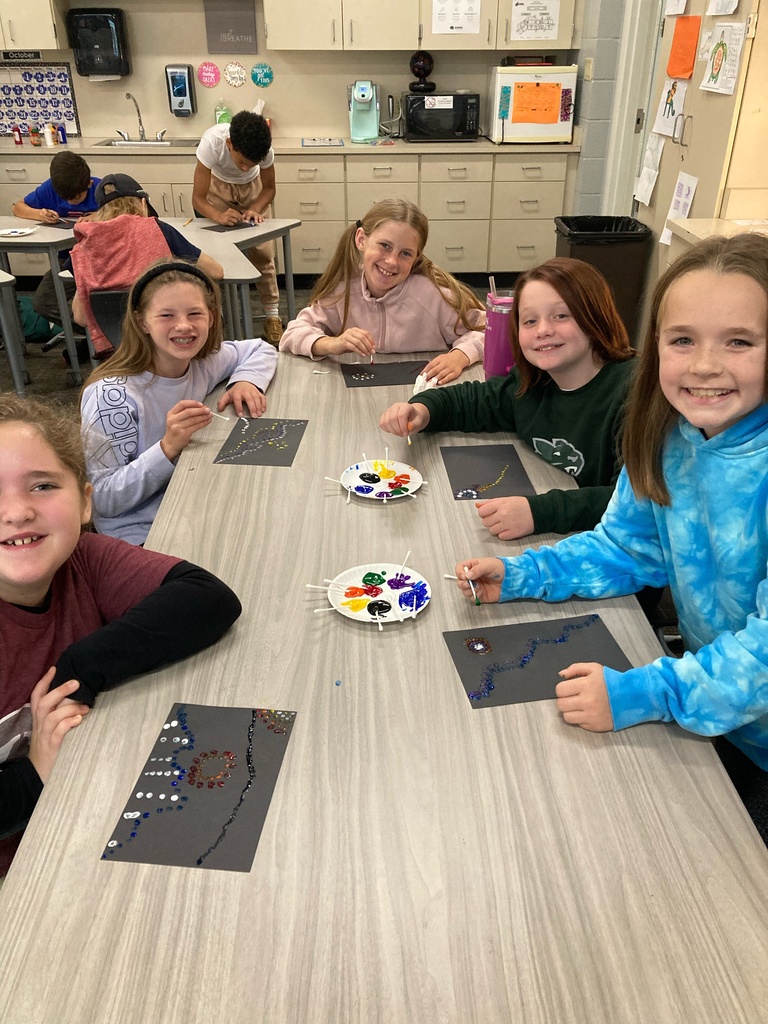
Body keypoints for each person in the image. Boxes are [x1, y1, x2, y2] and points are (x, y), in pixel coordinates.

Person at [454, 233, 768, 842]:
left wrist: (644, 692)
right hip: (719, 717)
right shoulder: (668, 435)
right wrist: (523, 573)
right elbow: (625, 548)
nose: (705, 365)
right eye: (682, 340)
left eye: (739, 341)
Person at [0, 393, 242, 875]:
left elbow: (207, 598)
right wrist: (36, 772)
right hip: (24, 871)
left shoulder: (84, 559)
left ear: (85, 501)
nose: (18, 512)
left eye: (43, 486)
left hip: (95, 803)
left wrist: (76, 670)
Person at [380, 257, 635, 538]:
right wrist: (423, 410)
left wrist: (539, 512)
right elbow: (474, 402)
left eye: (561, 316)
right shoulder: (535, 382)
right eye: (530, 321)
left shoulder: (633, 397)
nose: (543, 330)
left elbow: (637, 504)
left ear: (596, 317)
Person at [80, 261, 278, 545]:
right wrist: (167, 448)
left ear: (211, 318)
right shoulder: (111, 398)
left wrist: (245, 381)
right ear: (142, 322)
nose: (184, 325)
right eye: (166, 315)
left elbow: (261, 348)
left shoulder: (202, 364)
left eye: (195, 313)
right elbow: (103, 499)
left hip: (192, 502)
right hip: (142, 535)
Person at [279, 198, 486, 385]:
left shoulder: (434, 295)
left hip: (424, 394)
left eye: (405, 253)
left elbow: (490, 330)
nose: (392, 261)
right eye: (385, 245)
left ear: (416, 257)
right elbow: (292, 334)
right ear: (361, 239)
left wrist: (459, 356)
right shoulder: (342, 290)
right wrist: (332, 343)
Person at [69, 172, 224, 355]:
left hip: (116, 351)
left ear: (100, 211)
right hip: (167, 343)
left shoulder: (85, 245)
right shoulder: (156, 228)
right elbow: (216, 271)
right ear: (143, 203)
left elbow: (81, 317)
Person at [192, 110, 283, 344]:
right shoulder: (211, 143)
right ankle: (218, 317)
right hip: (218, 188)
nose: (244, 168)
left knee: (263, 252)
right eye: (241, 162)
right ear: (229, 144)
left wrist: (256, 208)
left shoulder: (264, 151)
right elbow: (198, 199)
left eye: (251, 165)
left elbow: (269, 189)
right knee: (217, 257)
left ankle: (272, 315)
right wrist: (218, 216)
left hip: (252, 189)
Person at [11, 151, 100, 327]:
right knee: (44, 303)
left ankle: (101, 333)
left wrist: (99, 216)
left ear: (88, 184)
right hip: (67, 260)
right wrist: (39, 214)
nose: (72, 202)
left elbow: (129, 212)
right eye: (65, 198)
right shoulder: (49, 188)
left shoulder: (102, 188)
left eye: (77, 197)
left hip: (100, 259)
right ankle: (94, 332)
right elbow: (18, 207)